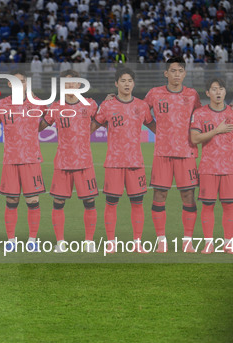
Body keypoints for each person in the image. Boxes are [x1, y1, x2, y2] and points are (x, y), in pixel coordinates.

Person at [92, 67, 156, 253]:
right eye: (123, 81)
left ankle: (137, 242)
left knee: (137, 202)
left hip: (135, 162)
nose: (127, 84)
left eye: (129, 81)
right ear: (116, 83)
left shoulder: (142, 106)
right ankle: (111, 242)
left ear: (133, 83)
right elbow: (91, 126)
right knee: (111, 202)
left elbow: (155, 128)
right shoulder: (107, 106)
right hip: (114, 162)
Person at [143, 57, 202, 252]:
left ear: (184, 74)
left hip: (187, 153)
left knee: (188, 196)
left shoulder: (192, 95)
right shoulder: (154, 93)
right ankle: (161, 241)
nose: (177, 74)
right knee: (160, 194)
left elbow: (204, 117)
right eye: (173, 71)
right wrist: (156, 130)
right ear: (166, 73)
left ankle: (187, 241)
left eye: (180, 71)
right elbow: (141, 112)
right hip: (162, 154)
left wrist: (230, 109)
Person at [39, 70, 99, 253]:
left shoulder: (90, 105)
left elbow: (101, 120)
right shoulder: (55, 107)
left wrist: (86, 131)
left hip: (85, 163)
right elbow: (39, 127)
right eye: (66, 83)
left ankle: (89, 242)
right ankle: (60, 242)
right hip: (62, 163)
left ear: (80, 85)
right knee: (58, 203)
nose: (70, 86)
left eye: (73, 83)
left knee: (89, 202)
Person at [0, 71, 47, 252]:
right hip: (11, 160)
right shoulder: (2, 104)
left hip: (31, 159)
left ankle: (32, 240)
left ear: (27, 84)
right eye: (16, 81)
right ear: (10, 85)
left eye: (23, 81)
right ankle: (11, 240)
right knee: (11, 200)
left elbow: (44, 124)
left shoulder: (38, 103)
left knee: (32, 200)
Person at [190, 78, 233, 254]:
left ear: (225, 92)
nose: (218, 92)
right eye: (214, 89)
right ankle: (208, 243)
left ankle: (228, 244)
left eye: (221, 89)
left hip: (229, 168)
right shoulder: (199, 114)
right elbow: (195, 139)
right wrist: (216, 130)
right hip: (207, 168)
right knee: (208, 206)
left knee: (229, 206)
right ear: (207, 93)